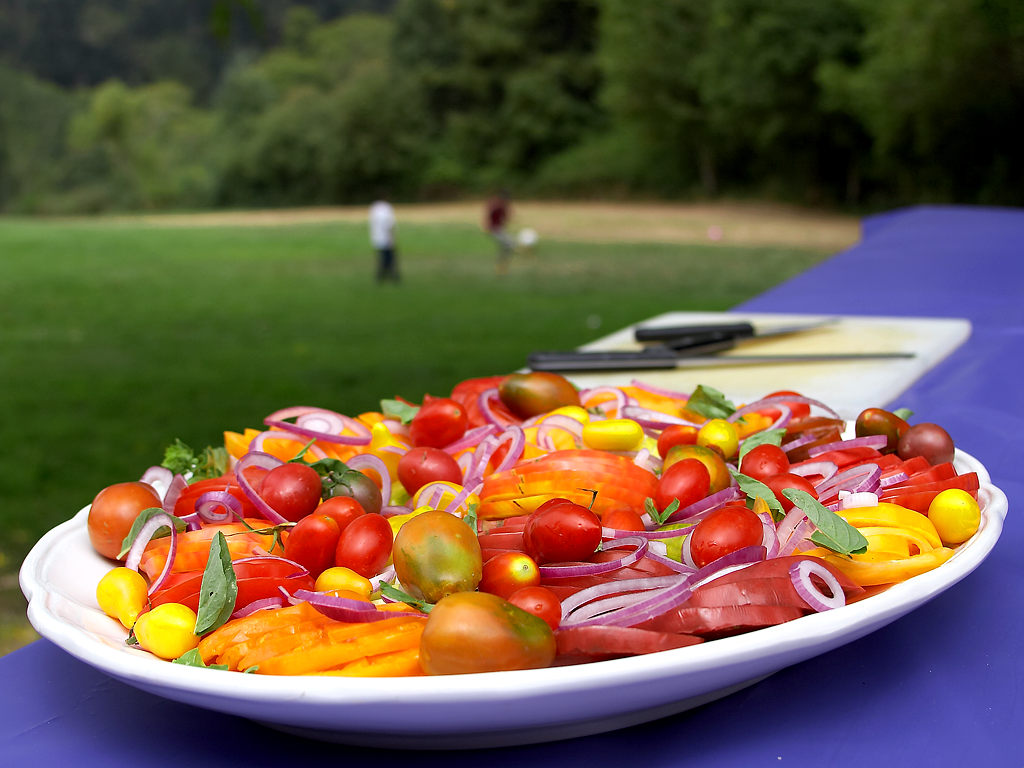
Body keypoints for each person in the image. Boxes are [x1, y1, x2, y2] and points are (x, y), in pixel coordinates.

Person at [368, 198, 399, 282]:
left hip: (377, 238)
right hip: (386, 238)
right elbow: (389, 224)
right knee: (389, 258)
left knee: (383, 258)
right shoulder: (387, 208)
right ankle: (391, 276)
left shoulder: (374, 208)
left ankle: (382, 276)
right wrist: (392, 237)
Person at [484, 190, 514, 274]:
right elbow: (506, 218)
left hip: (496, 229)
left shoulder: (495, 204)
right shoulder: (500, 206)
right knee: (509, 245)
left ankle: (502, 265)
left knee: (508, 245)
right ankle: (501, 266)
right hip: (495, 229)